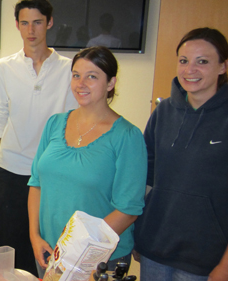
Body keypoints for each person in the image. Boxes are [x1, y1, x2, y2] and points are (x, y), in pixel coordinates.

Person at [28, 46, 147, 276]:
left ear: (110, 83)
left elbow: (128, 209)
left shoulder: (127, 136)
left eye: (92, 76)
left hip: (99, 258)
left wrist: (76, 252)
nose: (81, 83)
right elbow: (36, 184)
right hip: (50, 250)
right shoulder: (55, 123)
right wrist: (35, 235)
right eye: (76, 75)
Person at [0, 0, 78, 275]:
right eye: (24, 23)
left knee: (52, 251)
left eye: (37, 22)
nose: (31, 30)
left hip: (52, 173)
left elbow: (74, 121)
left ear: (49, 23)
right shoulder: (4, 67)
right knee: (14, 253)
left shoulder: (70, 67)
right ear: (17, 25)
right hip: (11, 171)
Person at [134, 27, 228, 281]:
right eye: (184, 61)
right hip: (155, 248)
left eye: (203, 62)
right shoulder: (163, 112)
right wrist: (138, 234)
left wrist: (225, 265)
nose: (190, 70)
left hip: (205, 260)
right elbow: (146, 178)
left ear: (222, 67)